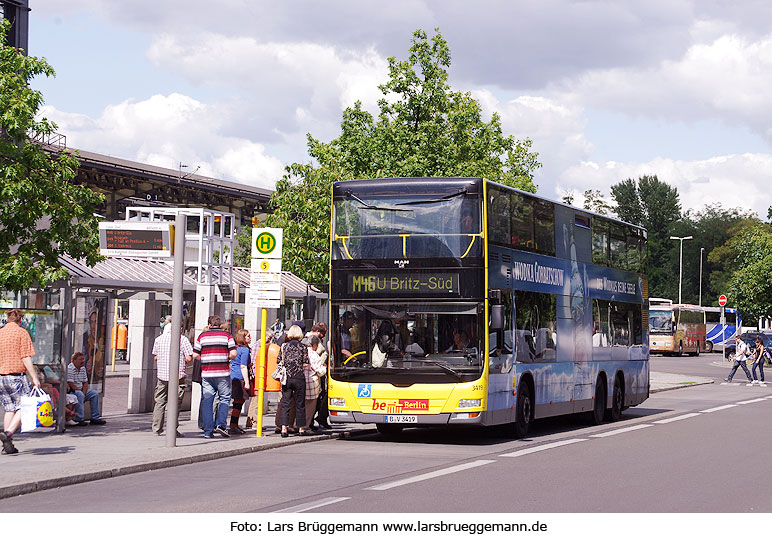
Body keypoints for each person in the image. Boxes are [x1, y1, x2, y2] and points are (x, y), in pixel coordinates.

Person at [0, 309, 42, 454]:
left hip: (1, 376)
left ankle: (7, 445)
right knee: (24, 406)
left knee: (9, 408)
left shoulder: (0, 333)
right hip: (16, 376)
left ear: (7, 319)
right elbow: (25, 357)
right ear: (20, 320)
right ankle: (9, 433)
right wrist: (35, 378)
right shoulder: (22, 333)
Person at [193, 315, 237, 438]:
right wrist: (225, 356)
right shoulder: (227, 336)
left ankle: (208, 431)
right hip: (222, 373)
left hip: (207, 374)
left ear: (209, 325)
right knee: (224, 398)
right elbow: (233, 353)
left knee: (207, 401)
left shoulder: (202, 336)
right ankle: (221, 425)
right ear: (219, 324)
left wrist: (205, 358)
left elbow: (195, 355)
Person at [151, 323, 193, 437]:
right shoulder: (183, 339)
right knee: (175, 403)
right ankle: (172, 429)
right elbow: (189, 357)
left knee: (159, 401)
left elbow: (155, 356)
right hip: (178, 376)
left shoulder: (159, 339)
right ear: (180, 328)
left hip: (162, 375)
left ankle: (156, 428)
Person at [277, 325, 310, 437]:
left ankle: (284, 429)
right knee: (300, 404)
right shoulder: (303, 347)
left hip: (287, 378)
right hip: (299, 377)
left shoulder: (284, 346)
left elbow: (278, 360)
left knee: (286, 403)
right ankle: (301, 429)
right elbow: (306, 362)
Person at [66, 352, 107, 426]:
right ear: (74, 360)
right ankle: (79, 418)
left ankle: (95, 418)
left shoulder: (83, 368)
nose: (83, 361)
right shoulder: (70, 369)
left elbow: (85, 382)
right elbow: (71, 384)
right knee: (79, 395)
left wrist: (84, 393)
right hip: (73, 391)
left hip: (81, 390)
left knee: (94, 394)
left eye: (83, 359)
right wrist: (82, 393)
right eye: (80, 359)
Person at [303, 322, 330, 429]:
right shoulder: (308, 341)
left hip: (316, 375)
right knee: (310, 402)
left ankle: (310, 422)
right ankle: (307, 424)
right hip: (313, 374)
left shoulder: (315, 340)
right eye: (323, 333)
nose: (323, 336)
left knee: (315, 400)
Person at [229, 329, 251, 434]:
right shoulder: (245, 350)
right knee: (239, 402)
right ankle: (233, 425)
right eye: (248, 336)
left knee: (237, 402)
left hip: (233, 376)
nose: (250, 338)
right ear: (243, 338)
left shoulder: (235, 349)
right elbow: (243, 366)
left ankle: (233, 424)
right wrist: (247, 382)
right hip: (240, 377)